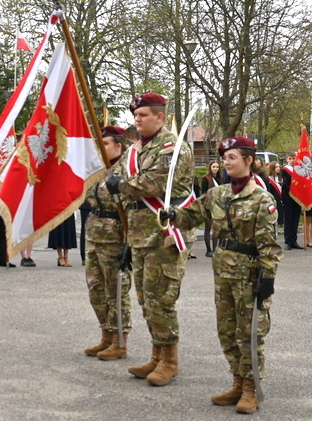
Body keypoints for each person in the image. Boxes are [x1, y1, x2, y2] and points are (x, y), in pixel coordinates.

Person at [163, 136, 281, 414]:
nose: (226, 163)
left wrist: (268, 278)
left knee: (249, 332)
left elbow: (269, 244)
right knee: (226, 331)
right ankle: (237, 382)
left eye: (232, 158)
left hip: (250, 274)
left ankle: (251, 388)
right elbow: (192, 216)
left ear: (248, 161)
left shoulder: (261, 198)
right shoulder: (217, 194)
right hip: (223, 272)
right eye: (224, 158)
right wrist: (172, 214)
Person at [104, 92, 194, 386]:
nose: (137, 120)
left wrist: (121, 185)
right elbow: (113, 184)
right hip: (141, 234)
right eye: (136, 115)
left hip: (165, 234)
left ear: (159, 116)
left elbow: (154, 183)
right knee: (145, 298)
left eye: (143, 115)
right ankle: (157, 355)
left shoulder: (172, 148)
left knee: (161, 299)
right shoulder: (135, 150)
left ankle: (170, 361)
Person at [84, 126, 132, 360]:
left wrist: (129, 241)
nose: (100, 148)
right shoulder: (98, 170)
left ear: (118, 146)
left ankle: (119, 340)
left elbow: (132, 207)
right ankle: (106, 334)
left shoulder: (128, 171)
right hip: (94, 234)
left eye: (105, 144)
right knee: (96, 288)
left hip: (115, 236)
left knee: (116, 290)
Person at [199, 160, 222, 257]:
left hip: (218, 206)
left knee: (216, 229)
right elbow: (203, 193)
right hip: (208, 206)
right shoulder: (206, 178)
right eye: (213, 167)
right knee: (208, 227)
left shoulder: (220, 179)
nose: (215, 169)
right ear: (210, 168)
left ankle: (215, 250)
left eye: (217, 167)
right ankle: (208, 250)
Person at [279, 153, 302, 250]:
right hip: (288, 197)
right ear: (287, 160)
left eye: (294, 158)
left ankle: (294, 240)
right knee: (288, 220)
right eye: (290, 158)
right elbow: (285, 184)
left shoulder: (299, 169)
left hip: (298, 198)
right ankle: (287, 241)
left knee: (295, 219)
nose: (292, 160)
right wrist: (294, 190)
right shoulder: (284, 170)